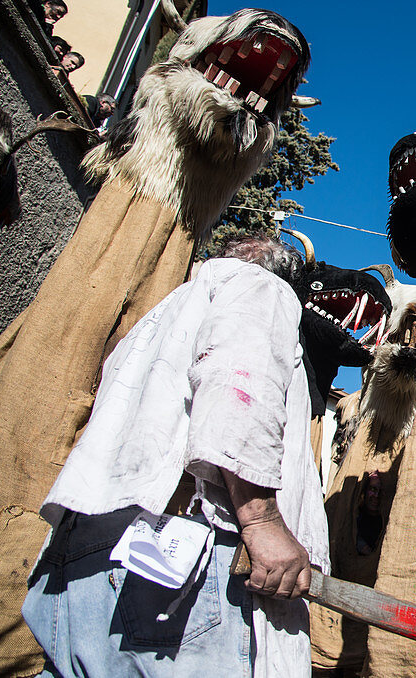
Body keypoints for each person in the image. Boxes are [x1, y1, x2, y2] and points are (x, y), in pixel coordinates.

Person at [21, 235, 329, 678]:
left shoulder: (163, 313)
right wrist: (262, 524)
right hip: (182, 561)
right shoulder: (259, 287)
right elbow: (238, 387)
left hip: (87, 556)